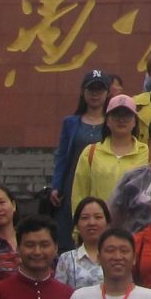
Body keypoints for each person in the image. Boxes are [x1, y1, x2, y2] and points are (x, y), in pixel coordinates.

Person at [48, 71, 112, 215]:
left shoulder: (111, 123)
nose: (95, 94)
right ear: (83, 92)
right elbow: (62, 156)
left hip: (101, 181)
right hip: (72, 182)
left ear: (107, 93)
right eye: (91, 89)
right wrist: (56, 186)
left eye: (100, 90)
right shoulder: (70, 122)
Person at [56, 197, 110, 289]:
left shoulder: (117, 256)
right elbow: (60, 293)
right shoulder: (67, 259)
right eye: (85, 218)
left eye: (98, 217)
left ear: (107, 223)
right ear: (77, 224)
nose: (92, 223)